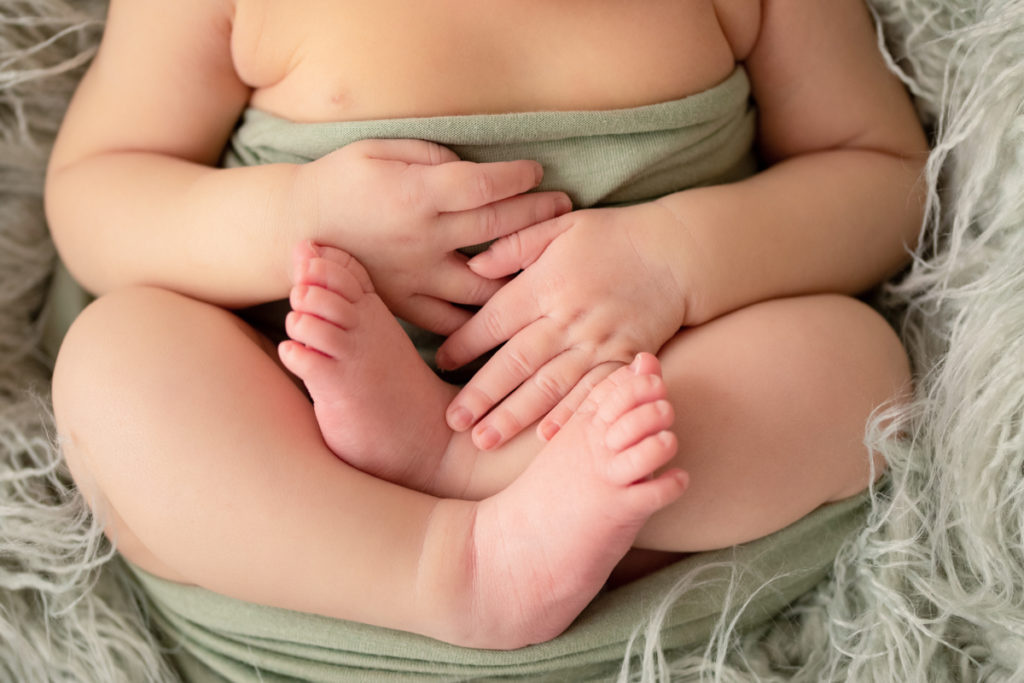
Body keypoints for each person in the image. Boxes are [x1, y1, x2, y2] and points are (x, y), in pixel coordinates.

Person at [44, 0, 927, 651]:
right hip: (316, 535)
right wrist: (295, 218)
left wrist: (678, 259)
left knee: (852, 365)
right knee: (118, 360)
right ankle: (448, 567)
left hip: (635, 523)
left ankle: (489, 487)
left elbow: (880, 175)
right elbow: (97, 192)